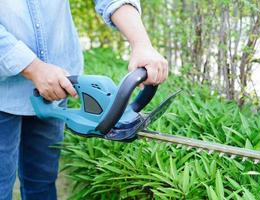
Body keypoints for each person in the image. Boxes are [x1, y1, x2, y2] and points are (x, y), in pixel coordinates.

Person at [0, 0, 168, 199]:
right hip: (4, 91)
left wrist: (141, 44)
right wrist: (33, 67)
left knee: (42, 182)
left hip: (59, 85)